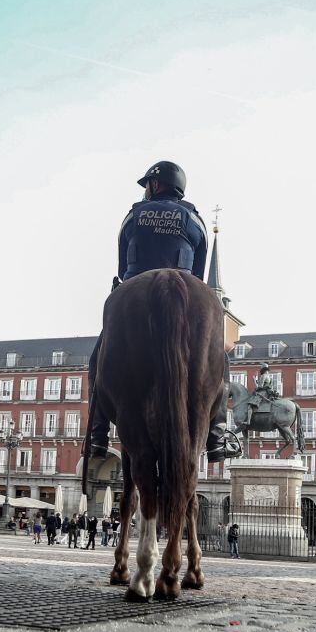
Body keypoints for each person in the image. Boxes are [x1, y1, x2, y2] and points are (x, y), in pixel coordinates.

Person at [86, 161, 239, 464]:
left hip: (134, 290)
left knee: (98, 359)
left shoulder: (132, 216)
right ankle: (217, 436)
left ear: (154, 186)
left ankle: (97, 434)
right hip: (184, 295)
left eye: (147, 186)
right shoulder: (195, 220)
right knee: (220, 357)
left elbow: (121, 265)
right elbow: (196, 273)